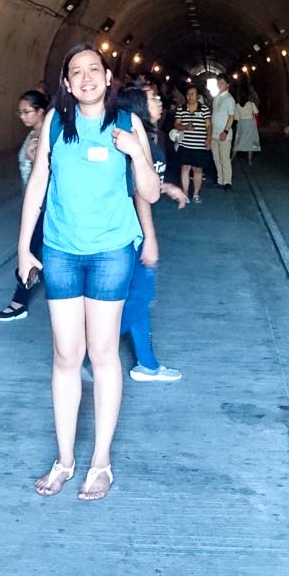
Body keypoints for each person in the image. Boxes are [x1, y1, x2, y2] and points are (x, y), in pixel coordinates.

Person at [18, 44, 160, 501]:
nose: (85, 78)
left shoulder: (126, 123)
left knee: (101, 353)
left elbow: (151, 194)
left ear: (107, 76)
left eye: (93, 70)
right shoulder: (55, 123)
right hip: (61, 251)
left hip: (110, 253)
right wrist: (25, 247)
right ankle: (64, 460)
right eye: (75, 72)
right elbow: (38, 183)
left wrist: (137, 152)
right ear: (66, 83)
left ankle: (100, 463)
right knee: (65, 353)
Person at [115, 81, 187, 381]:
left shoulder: (148, 136)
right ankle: (85, 350)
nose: (160, 101)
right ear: (138, 107)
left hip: (133, 232)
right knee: (137, 299)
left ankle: (146, 363)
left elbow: (148, 183)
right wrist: (149, 239)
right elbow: (137, 193)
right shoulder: (134, 138)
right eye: (153, 98)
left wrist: (167, 187)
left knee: (139, 298)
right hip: (130, 233)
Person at [0, 90, 50, 321]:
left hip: (44, 205)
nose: (22, 117)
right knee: (36, 250)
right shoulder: (35, 134)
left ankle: (19, 302)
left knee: (30, 250)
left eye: (27, 112)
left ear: (40, 111)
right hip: (34, 203)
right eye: (20, 112)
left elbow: (49, 170)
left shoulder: (46, 135)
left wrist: (33, 157)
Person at [173, 85, 212, 203]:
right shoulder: (181, 109)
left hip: (199, 145)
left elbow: (208, 125)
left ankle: (195, 194)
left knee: (197, 169)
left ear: (198, 96)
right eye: (188, 94)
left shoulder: (204, 109)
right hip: (185, 144)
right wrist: (185, 127)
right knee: (185, 168)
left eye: (193, 94)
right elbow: (176, 124)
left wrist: (208, 139)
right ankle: (185, 193)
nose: (190, 96)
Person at [210, 77, 237, 190]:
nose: (219, 85)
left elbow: (231, 116)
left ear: (227, 85)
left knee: (224, 158)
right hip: (214, 133)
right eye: (218, 83)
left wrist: (226, 131)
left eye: (222, 83)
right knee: (216, 157)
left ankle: (227, 181)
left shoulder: (229, 99)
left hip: (224, 133)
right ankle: (220, 179)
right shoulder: (216, 98)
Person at [232, 86, 261, 165]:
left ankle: (232, 157)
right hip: (250, 123)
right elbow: (256, 112)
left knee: (238, 140)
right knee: (250, 142)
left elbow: (236, 117)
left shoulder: (237, 105)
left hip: (242, 123)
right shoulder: (251, 104)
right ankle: (249, 160)